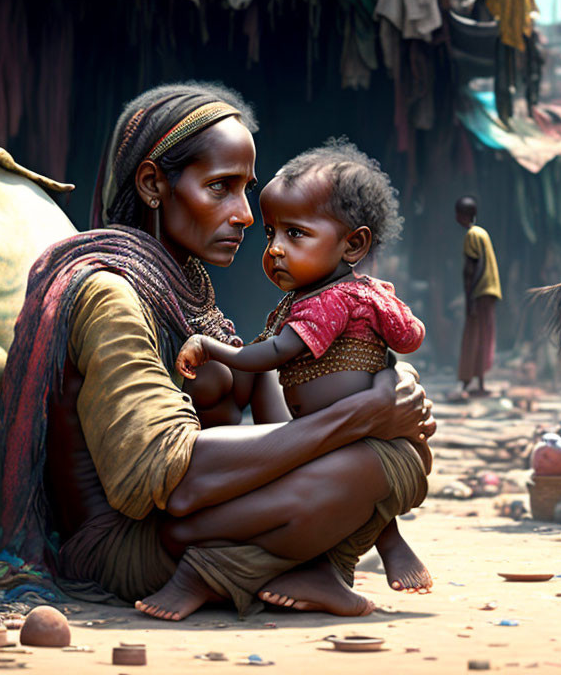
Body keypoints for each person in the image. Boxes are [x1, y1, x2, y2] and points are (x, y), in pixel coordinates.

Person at [0, 83, 437, 624]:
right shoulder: (111, 294)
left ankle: (297, 563)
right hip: (131, 543)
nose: (247, 216)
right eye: (221, 188)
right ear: (155, 184)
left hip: (205, 519)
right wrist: (366, 414)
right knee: (377, 461)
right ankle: (267, 563)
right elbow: (166, 479)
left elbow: (281, 417)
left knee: (389, 453)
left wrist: (374, 386)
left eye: (246, 190)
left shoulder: (187, 290)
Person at [173, 138, 429, 596]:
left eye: (295, 234)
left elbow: (270, 356)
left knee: (332, 488)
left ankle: (382, 550)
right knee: (335, 496)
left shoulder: (329, 303)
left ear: (354, 244)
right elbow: (410, 337)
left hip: (349, 432)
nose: (274, 249)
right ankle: (339, 570)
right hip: (336, 430)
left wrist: (213, 349)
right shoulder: (321, 298)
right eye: (271, 233)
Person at [455, 195, 501, 396]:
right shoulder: (482, 233)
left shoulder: (472, 235)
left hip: (479, 292)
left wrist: (469, 297)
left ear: (461, 216)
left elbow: (470, 269)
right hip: (489, 291)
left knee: (473, 336)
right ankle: (478, 383)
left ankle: (469, 384)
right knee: (483, 335)